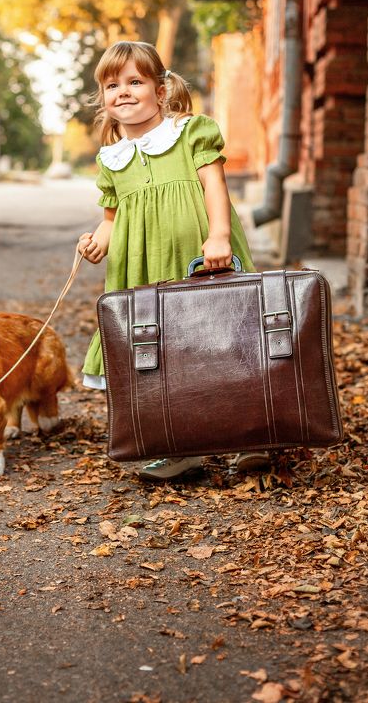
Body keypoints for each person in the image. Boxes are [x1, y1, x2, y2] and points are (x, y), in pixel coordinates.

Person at [77, 40, 269, 480]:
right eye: (112, 85)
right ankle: (181, 445)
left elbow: (214, 188)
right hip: (144, 268)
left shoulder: (189, 133)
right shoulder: (112, 159)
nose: (122, 91)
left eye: (135, 82)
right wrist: (97, 241)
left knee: (227, 339)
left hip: (204, 256)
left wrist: (218, 234)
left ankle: (255, 436)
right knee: (164, 352)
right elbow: (112, 216)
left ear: (160, 92)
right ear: (103, 98)